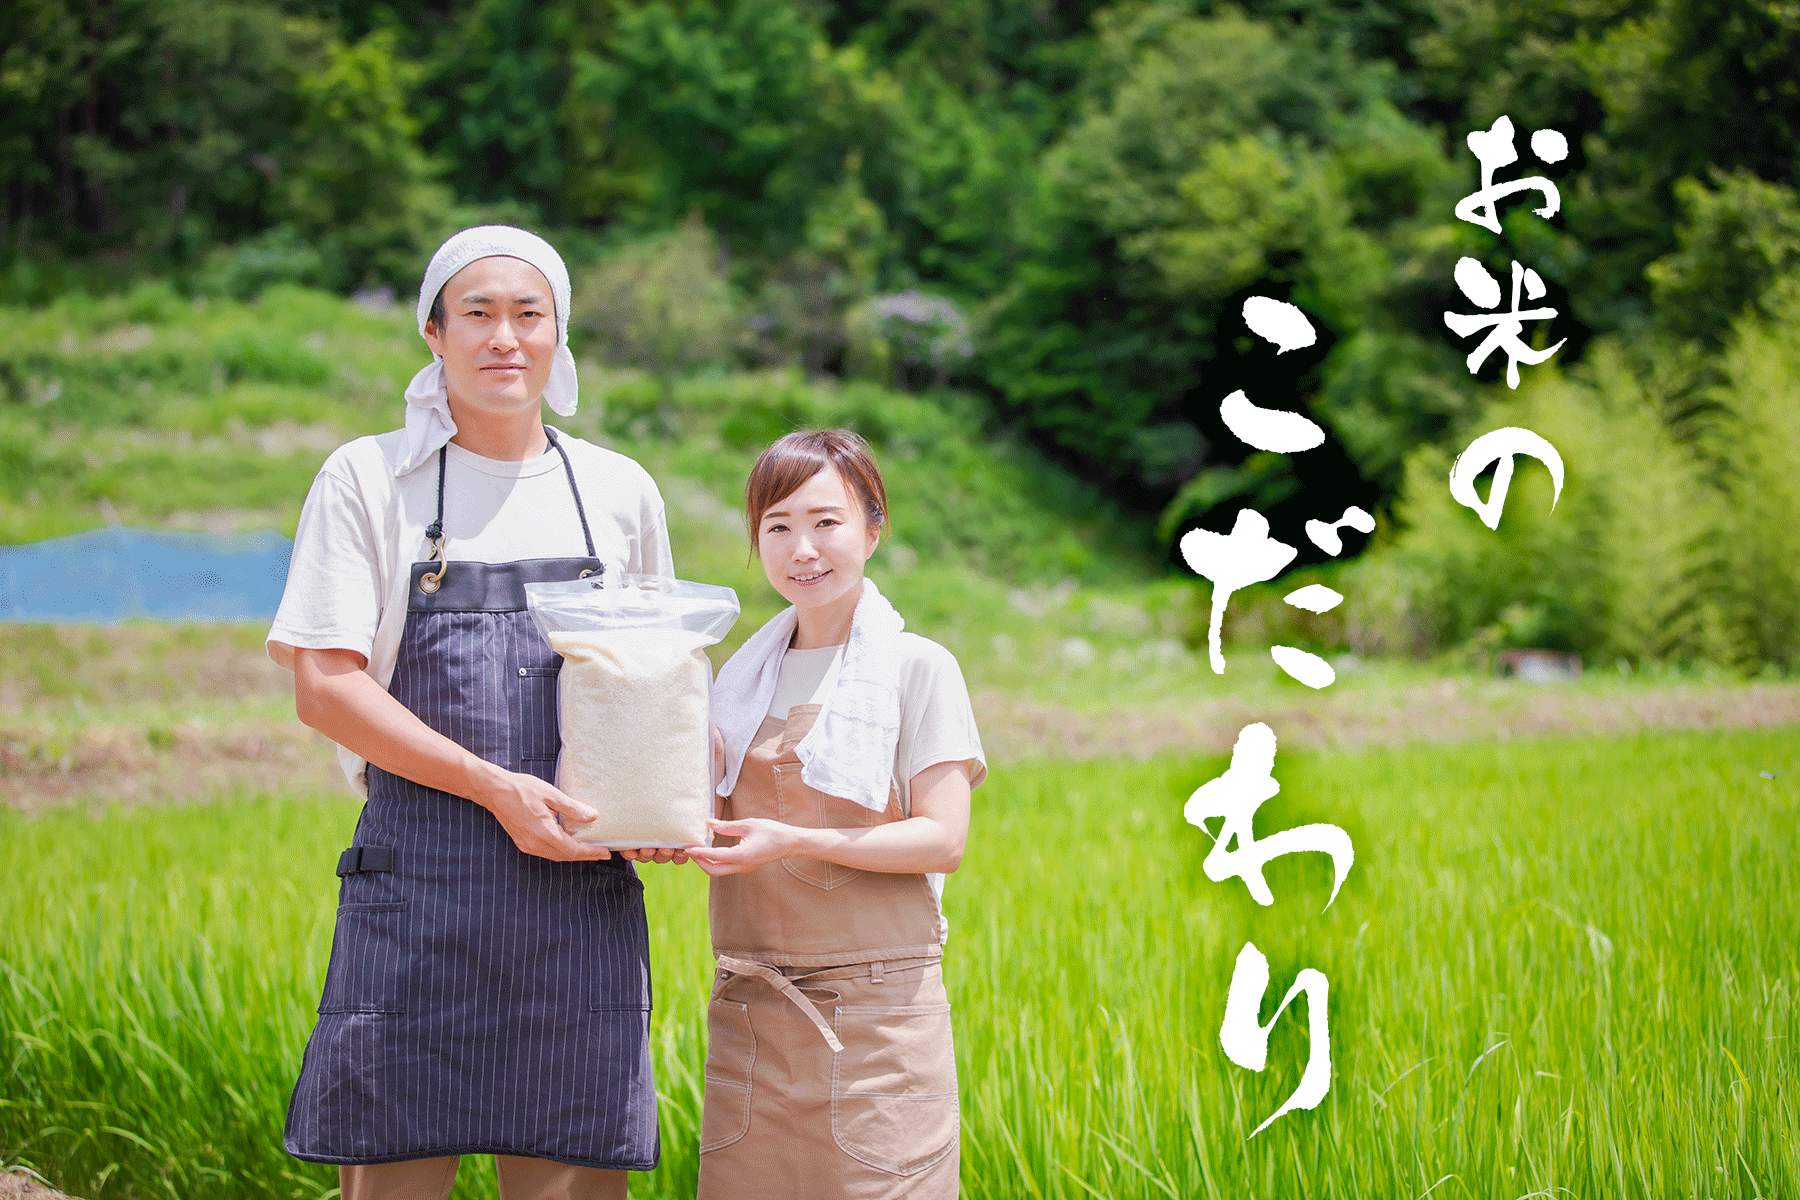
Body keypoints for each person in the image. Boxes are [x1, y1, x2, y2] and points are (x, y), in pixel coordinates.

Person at [265, 225, 679, 1200]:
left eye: (527, 314)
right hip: (422, 891)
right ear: (432, 332)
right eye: (478, 313)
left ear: (558, 334)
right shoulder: (370, 479)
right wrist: (497, 789)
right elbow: (325, 686)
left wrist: (663, 807)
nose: (504, 337)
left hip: (574, 893)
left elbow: (653, 687)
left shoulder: (616, 491)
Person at [686, 430, 987, 1198]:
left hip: (876, 1026)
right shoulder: (736, 682)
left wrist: (795, 840)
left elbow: (943, 838)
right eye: (777, 526)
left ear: (873, 528)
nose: (802, 547)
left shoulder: (915, 666)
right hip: (752, 1013)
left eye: (827, 522)